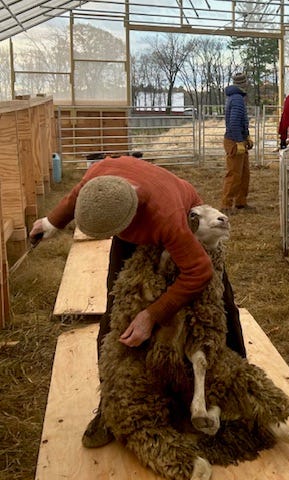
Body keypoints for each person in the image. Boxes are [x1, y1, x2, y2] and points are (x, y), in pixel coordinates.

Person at [29, 155, 246, 448]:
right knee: (118, 306)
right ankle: (110, 405)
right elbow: (76, 196)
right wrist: (50, 222)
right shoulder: (99, 178)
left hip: (179, 212)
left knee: (218, 302)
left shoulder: (169, 219)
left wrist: (152, 314)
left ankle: (237, 388)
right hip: (130, 219)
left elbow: (198, 271)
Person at [221, 72, 254, 215]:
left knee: (244, 174)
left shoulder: (235, 98)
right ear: (244, 84)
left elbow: (240, 121)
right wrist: (239, 141)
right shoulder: (237, 99)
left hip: (238, 139)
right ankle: (226, 205)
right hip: (234, 140)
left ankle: (241, 202)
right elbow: (234, 123)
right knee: (234, 175)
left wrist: (246, 137)